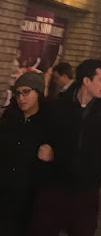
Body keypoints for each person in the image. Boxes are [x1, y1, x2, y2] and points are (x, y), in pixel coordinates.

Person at [30, 59, 101, 236]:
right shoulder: (59, 106)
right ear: (86, 81)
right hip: (55, 188)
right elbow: (44, 143)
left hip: (86, 193)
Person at [0, 72, 53, 236]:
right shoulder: (9, 119)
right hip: (4, 194)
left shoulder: (49, 123)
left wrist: (52, 156)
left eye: (26, 92)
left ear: (39, 92)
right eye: (18, 93)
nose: (21, 98)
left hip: (31, 199)